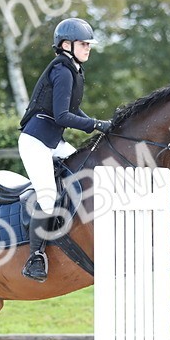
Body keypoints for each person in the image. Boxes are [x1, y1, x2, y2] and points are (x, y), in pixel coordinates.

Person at [17, 17, 112, 282]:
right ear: (66, 44)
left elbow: (72, 110)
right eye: (83, 44)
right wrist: (94, 124)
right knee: (47, 196)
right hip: (36, 142)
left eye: (88, 44)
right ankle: (35, 257)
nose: (88, 48)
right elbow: (62, 116)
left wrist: (100, 124)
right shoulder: (62, 70)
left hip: (53, 142)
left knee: (86, 169)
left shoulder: (73, 69)